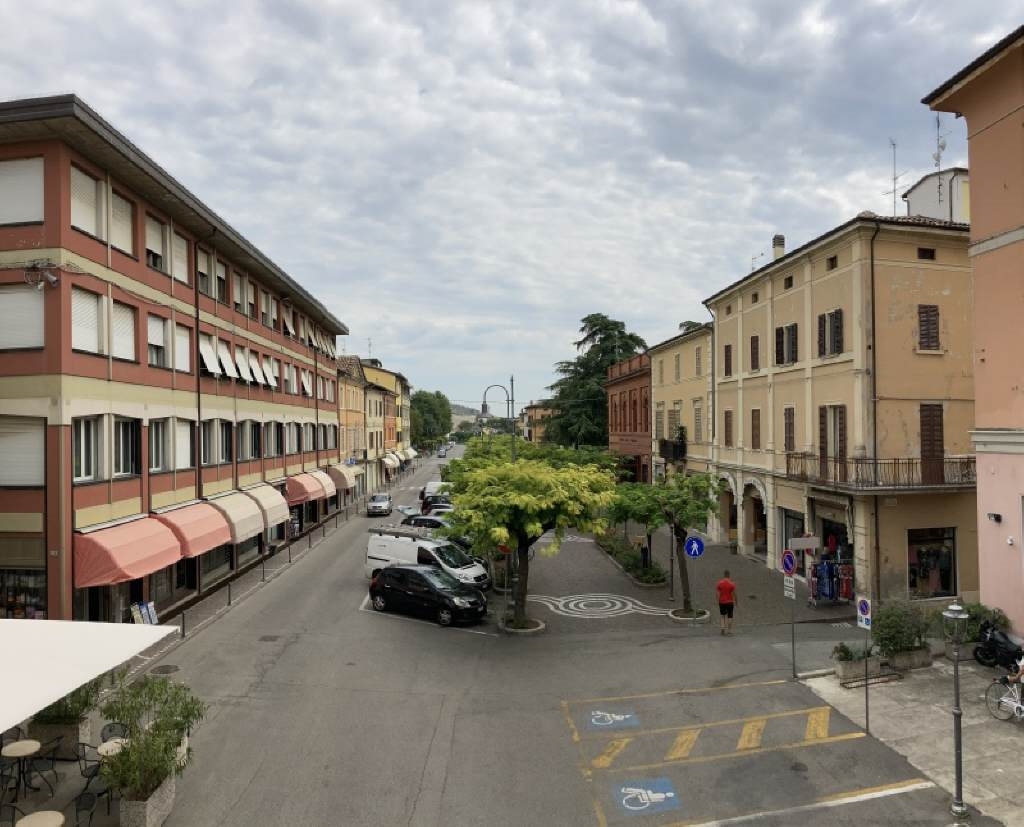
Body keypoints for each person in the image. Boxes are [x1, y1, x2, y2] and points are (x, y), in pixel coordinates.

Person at [716, 570, 738, 635]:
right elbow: (734, 594)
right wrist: (736, 602)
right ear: (729, 575)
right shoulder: (732, 584)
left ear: (724, 575)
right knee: (730, 616)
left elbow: (717, 593)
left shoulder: (719, 583)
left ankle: (722, 629)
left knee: (722, 616)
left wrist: (717, 601)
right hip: (730, 602)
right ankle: (729, 631)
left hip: (722, 602)